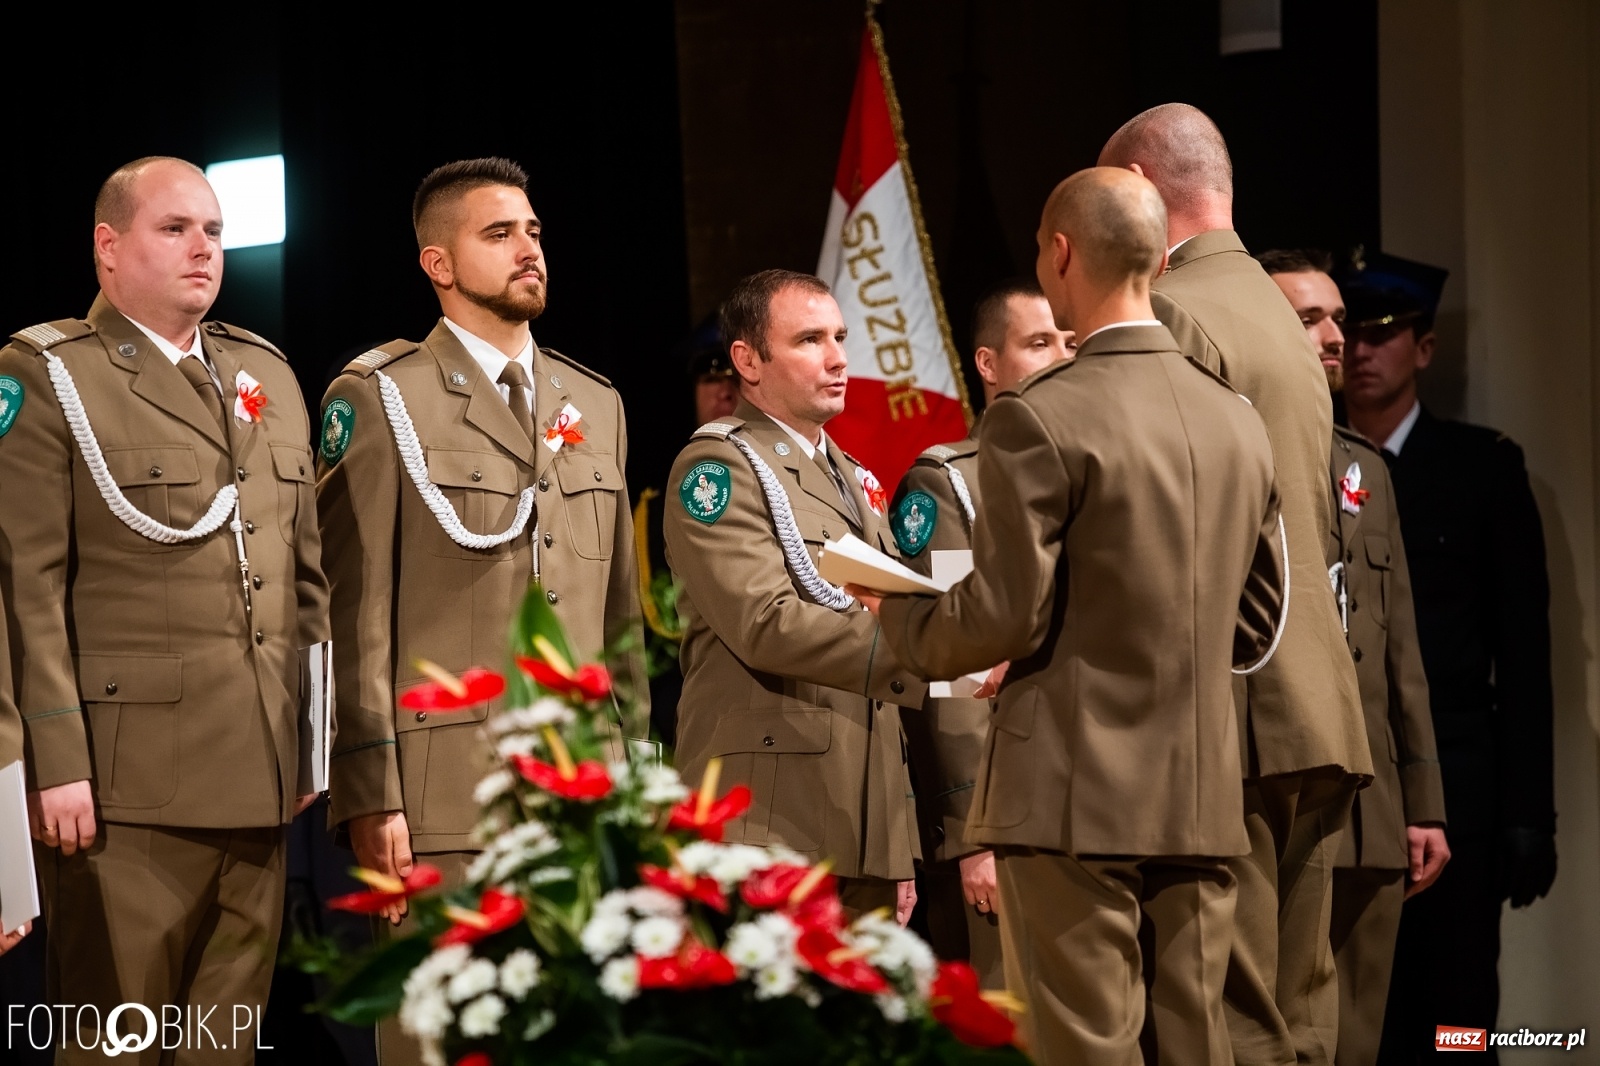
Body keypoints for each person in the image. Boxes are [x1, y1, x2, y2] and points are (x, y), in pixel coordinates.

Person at [859, 167, 1286, 1066]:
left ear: (1060, 256)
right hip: (1203, 788)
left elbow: (1005, 616)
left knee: (1085, 1047)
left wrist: (895, 615)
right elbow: (1258, 622)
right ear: (1156, 261)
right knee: (1195, 1045)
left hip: (1068, 795)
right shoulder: (1237, 418)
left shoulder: (1040, 416)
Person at [0, 156, 329, 1060]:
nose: (203, 249)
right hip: (124, 787)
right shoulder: (51, 372)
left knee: (224, 1046)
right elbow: (26, 585)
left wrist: (311, 735)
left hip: (261, 776)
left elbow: (304, 576)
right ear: (108, 247)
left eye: (214, 231)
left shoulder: (263, 372)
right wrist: (54, 760)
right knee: (114, 1045)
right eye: (175, 228)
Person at [316, 157, 647, 945]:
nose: (528, 250)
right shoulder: (383, 393)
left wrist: (641, 778)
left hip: (585, 793)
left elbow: (621, 624)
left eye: (533, 232)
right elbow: (352, 614)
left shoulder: (595, 401)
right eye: (498, 235)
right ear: (439, 264)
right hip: (449, 799)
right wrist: (369, 790)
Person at [1100, 104, 1371, 1066]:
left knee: (1234, 1013)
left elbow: (1170, 532)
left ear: (1140, 185)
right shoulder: (1272, 306)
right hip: (1315, 698)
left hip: (1236, 707)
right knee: (1304, 1013)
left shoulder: (1174, 311)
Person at [1334, 251, 1556, 1063]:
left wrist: (1528, 815)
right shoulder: (1310, 466)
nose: (1363, 350)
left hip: (1459, 774)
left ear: (1423, 348)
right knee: (1356, 1010)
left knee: (1457, 1017)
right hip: (1348, 770)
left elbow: (1523, 655)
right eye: (1352, 334)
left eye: (1384, 334)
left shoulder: (1480, 470)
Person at [662, 268, 927, 923]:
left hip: (861, 828)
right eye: (810, 340)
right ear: (748, 361)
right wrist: (932, 642)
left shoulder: (856, 480)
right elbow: (765, 622)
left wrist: (895, 843)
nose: (837, 358)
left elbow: (877, 660)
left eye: (840, 337)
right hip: (766, 822)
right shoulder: (720, 465)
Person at [1261, 250, 1451, 1066]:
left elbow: (1400, 650)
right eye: (1309, 319)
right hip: (1272, 798)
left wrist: (1424, 802)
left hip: (1371, 809)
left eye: (1338, 318)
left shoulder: (1363, 465)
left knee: (1354, 1041)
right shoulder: (1237, 450)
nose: (1335, 336)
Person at [887, 278, 1072, 989]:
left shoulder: (1105, 465)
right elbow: (955, 672)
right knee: (1006, 1018)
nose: (1061, 356)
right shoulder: (952, 483)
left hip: (1102, 804)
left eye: (1070, 341)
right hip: (1010, 817)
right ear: (988, 364)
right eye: (1039, 342)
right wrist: (974, 835)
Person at [633, 331, 739, 746]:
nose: (724, 390)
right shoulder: (663, 499)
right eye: (710, 378)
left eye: (735, 378)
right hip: (693, 685)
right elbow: (664, 612)